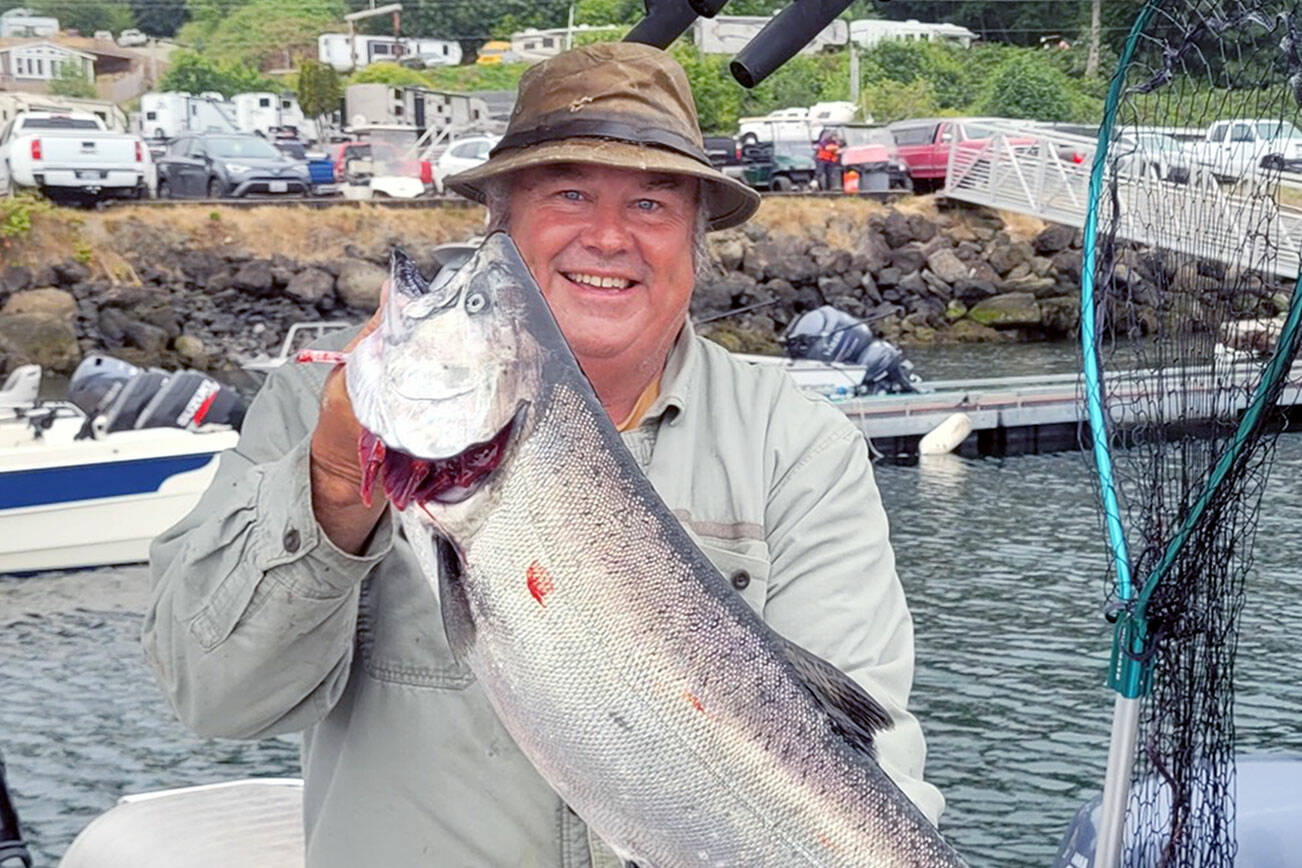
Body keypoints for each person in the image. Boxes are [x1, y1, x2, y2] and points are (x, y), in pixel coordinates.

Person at [143, 42, 944, 867]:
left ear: (697, 242)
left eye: (653, 205)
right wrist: (337, 483)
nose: (608, 236)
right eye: (568, 193)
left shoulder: (800, 448)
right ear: (500, 227)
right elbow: (211, 695)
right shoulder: (319, 422)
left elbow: (872, 770)